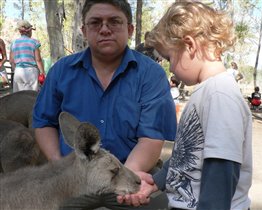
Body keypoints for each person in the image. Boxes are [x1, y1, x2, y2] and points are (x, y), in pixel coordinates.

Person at [32, 0, 176, 208]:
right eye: (96, 22)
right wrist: (58, 164)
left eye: (114, 22)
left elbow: (152, 137)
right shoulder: (61, 71)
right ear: (83, 30)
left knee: (159, 204)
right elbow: (43, 122)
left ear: (130, 29)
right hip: (75, 176)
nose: (105, 29)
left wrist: (127, 174)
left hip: (130, 171)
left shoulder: (150, 74)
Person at [117, 2, 253, 210]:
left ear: (189, 45)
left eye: (170, 58)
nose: (170, 68)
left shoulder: (220, 95)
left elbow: (222, 170)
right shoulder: (206, 92)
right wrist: (157, 181)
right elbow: (188, 154)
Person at [9, 20, 45, 92]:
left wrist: (15, 69)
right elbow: (38, 60)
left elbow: (11, 61)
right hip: (31, 72)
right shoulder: (34, 42)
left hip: (18, 72)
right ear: (29, 31)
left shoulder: (14, 43)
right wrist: (42, 72)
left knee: (18, 96)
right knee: (31, 96)